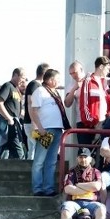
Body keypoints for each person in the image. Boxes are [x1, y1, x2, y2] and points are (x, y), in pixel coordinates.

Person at [30, 68, 67, 197]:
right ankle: (37, 188)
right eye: (57, 79)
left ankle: (48, 188)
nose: (58, 81)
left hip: (57, 129)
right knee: (39, 160)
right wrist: (39, 127)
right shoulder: (40, 91)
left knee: (51, 161)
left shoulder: (55, 92)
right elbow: (34, 111)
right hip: (45, 130)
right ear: (50, 79)